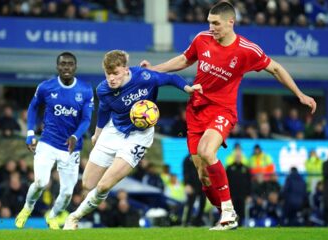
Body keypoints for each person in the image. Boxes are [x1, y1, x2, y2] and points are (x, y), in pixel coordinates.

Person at [140, 1, 316, 230]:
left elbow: (276, 68)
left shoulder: (246, 50)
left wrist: (299, 94)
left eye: (216, 23)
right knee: (203, 176)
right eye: (209, 23)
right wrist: (154, 69)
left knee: (206, 150)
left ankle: (229, 212)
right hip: (196, 111)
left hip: (222, 111)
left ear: (230, 22)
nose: (211, 27)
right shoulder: (202, 39)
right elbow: (184, 60)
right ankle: (225, 214)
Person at [63, 50, 202, 230]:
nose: (111, 78)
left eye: (115, 73)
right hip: (114, 131)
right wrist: (97, 133)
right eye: (108, 74)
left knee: (104, 185)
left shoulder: (144, 76)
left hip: (139, 136)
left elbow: (170, 78)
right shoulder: (103, 89)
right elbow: (104, 111)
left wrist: (187, 88)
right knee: (88, 183)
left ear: (126, 70)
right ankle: (98, 200)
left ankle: (74, 218)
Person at [15, 52, 94, 229]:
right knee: (41, 182)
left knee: (66, 193)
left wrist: (75, 136)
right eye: (63, 64)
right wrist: (30, 133)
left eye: (70, 64)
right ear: (57, 66)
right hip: (48, 142)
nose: (66, 67)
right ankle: (27, 208)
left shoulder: (85, 89)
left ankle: (52, 216)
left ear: (75, 67)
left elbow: (86, 119)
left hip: (71, 147)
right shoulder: (46, 87)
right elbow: (33, 107)